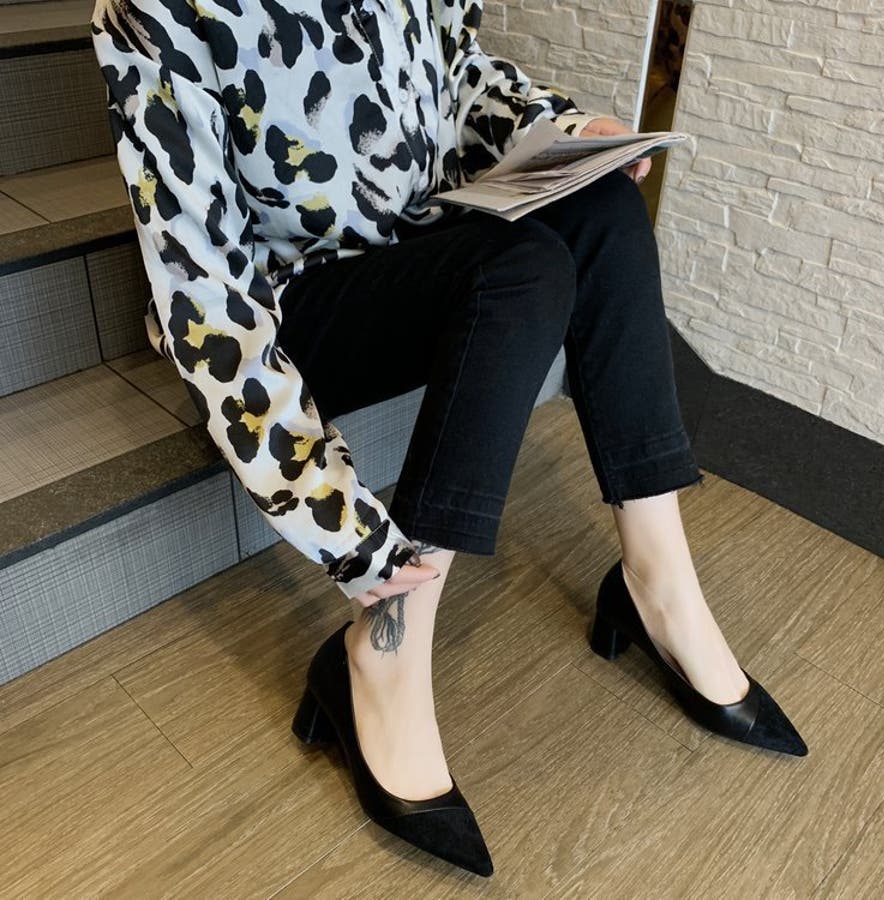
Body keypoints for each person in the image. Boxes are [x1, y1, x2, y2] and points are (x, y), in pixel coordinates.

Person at [91, 0, 807, 878]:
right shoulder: (152, 11)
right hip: (286, 300)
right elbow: (203, 291)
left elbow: (457, 72)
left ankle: (656, 581)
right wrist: (343, 525)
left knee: (607, 207)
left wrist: (563, 130)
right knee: (522, 274)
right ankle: (384, 643)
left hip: (415, 240)